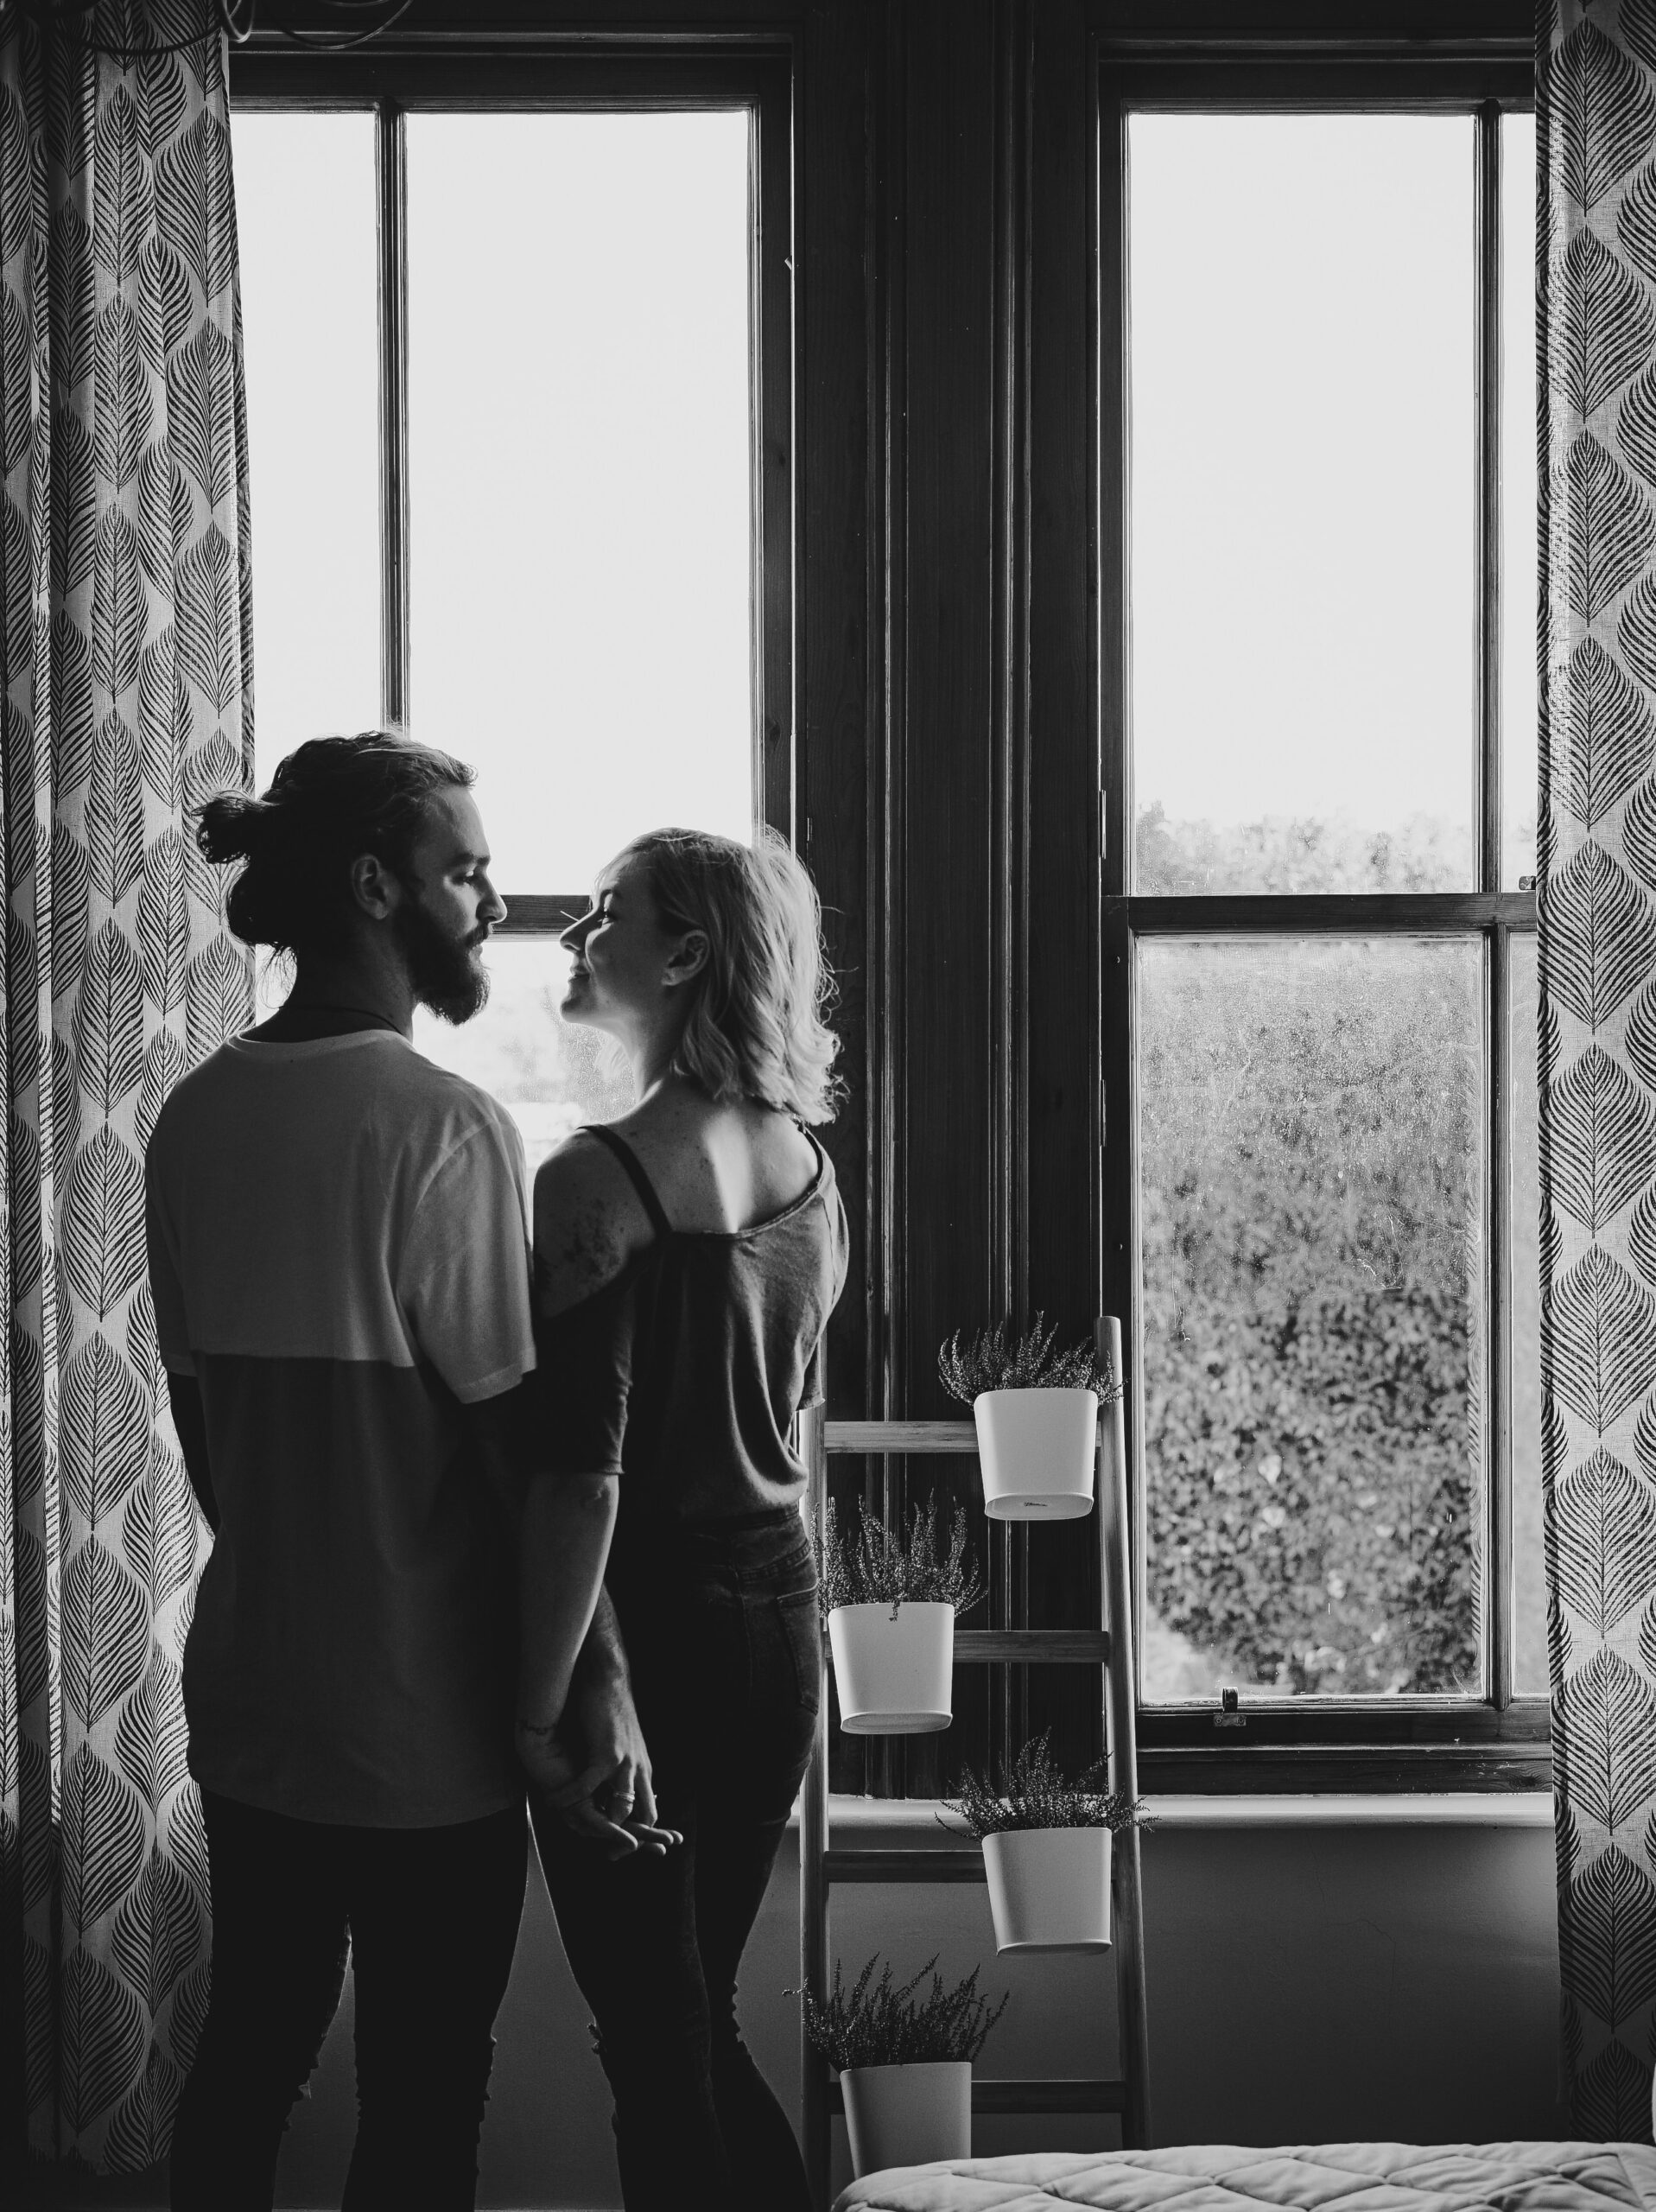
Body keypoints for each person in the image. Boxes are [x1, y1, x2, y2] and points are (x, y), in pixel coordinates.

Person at [147, 733, 666, 2212]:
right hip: (425, 1727)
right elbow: (523, 1460)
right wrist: (588, 1685)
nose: (488, 902)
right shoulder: (443, 1127)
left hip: (256, 1704)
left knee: (246, 2067)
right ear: (375, 885)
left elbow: (207, 1449)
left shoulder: (192, 1119)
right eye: (463, 871)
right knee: (427, 2096)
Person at [517, 824, 848, 2212]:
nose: (573, 939)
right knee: (690, 2022)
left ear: (687, 953)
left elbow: (577, 1476)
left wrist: (555, 1703)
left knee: (655, 2045)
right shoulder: (811, 1173)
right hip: (777, 1620)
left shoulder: (598, 1180)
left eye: (604, 914)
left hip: (647, 1623)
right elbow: (793, 1422)